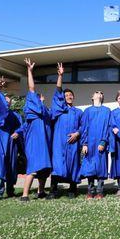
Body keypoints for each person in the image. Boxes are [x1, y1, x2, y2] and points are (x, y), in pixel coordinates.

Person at [18, 58, 52, 202]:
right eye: (37, 98)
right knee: (32, 168)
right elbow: (31, 89)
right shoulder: (31, 109)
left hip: (44, 142)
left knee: (44, 169)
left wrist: (42, 102)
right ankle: (25, 195)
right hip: (34, 143)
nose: (38, 98)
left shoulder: (44, 110)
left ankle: (41, 191)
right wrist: (29, 71)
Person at [48, 63, 84, 199]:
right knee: (57, 164)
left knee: (73, 164)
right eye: (66, 95)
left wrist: (77, 133)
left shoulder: (79, 112)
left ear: (73, 97)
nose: (68, 96)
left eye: (70, 95)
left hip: (73, 143)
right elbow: (58, 91)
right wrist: (60, 75)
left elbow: (83, 127)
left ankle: (72, 189)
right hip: (59, 143)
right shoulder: (58, 110)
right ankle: (53, 190)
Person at [0, 76, 22, 200]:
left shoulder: (16, 115)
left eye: (8, 101)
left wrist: (18, 132)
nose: (7, 102)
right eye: (4, 101)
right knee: (0, 164)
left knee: (11, 165)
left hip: (11, 141)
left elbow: (21, 127)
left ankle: (10, 190)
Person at [80, 91, 116, 199]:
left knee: (101, 167)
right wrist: (85, 143)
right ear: (92, 97)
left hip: (101, 143)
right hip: (90, 143)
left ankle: (100, 191)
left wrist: (104, 142)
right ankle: (90, 190)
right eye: (96, 92)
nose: (99, 93)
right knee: (90, 167)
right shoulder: (87, 111)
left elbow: (109, 127)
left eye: (101, 92)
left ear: (102, 97)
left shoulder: (107, 111)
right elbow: (84, 127)